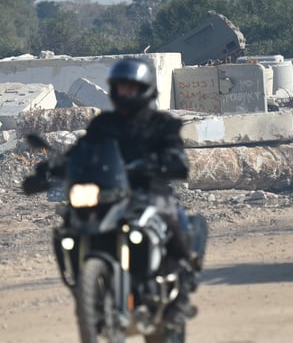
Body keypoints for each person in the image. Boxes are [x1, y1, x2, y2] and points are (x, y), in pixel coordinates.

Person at [70, 58, 200, 318]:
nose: (125, 92)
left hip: (150, 190)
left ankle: (181, 290)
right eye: (121, 87)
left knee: (170, 217)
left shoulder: (162, 124)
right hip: (110, 190)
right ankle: (85, 282)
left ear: (145, 89)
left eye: (131, 87)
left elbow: (177, 156)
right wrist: (52, 167)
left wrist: (168, 161)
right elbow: (81, 151)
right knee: (69, 224)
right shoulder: (102, 124)